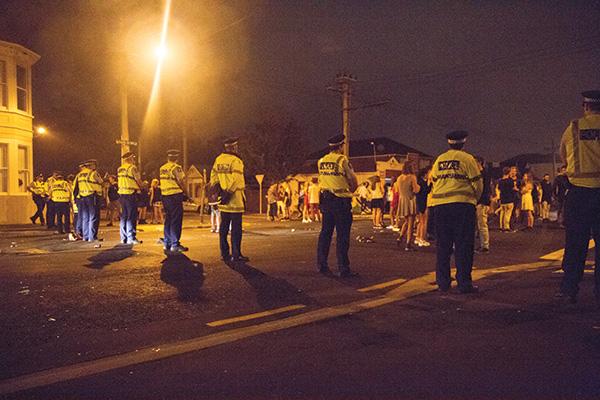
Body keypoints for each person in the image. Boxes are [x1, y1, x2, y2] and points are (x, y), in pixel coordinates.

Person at [557, 90, 600, 305]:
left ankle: (569, 289)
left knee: (575, 244)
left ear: (586, 107)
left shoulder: (573, 127)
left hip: (579, 193)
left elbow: (563, 155)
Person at [430, 130, 483, 294]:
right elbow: (477, 183)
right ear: (464, 143)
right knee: (463, 245)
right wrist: (474, 199)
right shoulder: (467, 159)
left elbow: (433, 180)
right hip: (462, 206)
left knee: (443, 245)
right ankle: (464, 283)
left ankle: (442, 282)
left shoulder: (440, 159)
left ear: (449, 143)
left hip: (440, 206)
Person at [316, 134, 359, 277]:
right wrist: (349, 191)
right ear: (340, 146)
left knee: (325, 234)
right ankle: (343, 268)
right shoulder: (342, 160)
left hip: (327, 200)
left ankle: (322, 265)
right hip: (341, 201)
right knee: (342, 236)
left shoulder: (321, 161)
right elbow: (354, 182)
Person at [210, 137, 248, 262]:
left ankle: (224, 253)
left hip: (223, 201)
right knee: (236, 229)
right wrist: (228, 193)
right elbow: (235, 179)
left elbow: (214, 176)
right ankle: (236, 254)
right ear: (234, 147)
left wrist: (219, 191)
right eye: (236, 147)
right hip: (235, 199)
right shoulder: (236, 161)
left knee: (223, 228)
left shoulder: (218, 159)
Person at [160, 149, 189, 252]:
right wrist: (187, 193)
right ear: (177, 158)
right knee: (176, 220)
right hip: (175, 196)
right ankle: (175, 244)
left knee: (168, 219)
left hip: (165, 196)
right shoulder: (176, 167)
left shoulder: (162, 168)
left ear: (168, 157)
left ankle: (167, 243)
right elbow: (181, 181)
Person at [117, 152, 143, 245]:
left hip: (122, 195)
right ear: (130, 159)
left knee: (124, 216)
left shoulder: (120, 169)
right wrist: (141, 187)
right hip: (131, 194)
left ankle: (123, 238)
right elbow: (138, 180)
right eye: (133, 158)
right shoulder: (132, 168)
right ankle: (131, 237)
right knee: (131, 216)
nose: (134, 160)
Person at [75, 160, 104, 244]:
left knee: (85, 217)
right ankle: (92, 236)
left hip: (83, 197)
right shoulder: (93, 173)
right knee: (93, 216)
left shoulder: (80, 174)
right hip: (92, 197)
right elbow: (101, 182)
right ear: (92, 166)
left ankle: (86, 236)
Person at [396, 163, 420, 251]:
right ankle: (408, 244)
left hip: (402, 200)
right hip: (410, 200)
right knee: (411, 223)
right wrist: (419, 187)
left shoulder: (399, 178)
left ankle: (400, 237)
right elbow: (415, 190)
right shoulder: (412, 177)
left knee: (406, 221)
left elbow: (398, 190)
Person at [475, 156, 491, 252]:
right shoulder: (483, 173)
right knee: (480, 224)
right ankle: (483, 244)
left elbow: (483, 189)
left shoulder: (483, 174)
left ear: (479, 162)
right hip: (480, 201)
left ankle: (485, 246)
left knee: (482, 224)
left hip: (482, 201)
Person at [497, 166, 519, 232]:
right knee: (507, 214)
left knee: (502, 214)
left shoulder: (500, 181)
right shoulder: (511, 181)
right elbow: (513, 189)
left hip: (503, 199)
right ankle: (506, 227)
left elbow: (499, 189)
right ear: (509, 172)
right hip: (509, 198)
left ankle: (501, 227)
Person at [415, 166, 432, 246]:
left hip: (418, 202)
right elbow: (427, 191)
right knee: (424, 222)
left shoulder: (419, 182)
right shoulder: (422, 183)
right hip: (422, 203)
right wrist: (431, 183)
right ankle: (422, 239)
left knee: (419, 222)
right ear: (424, 175)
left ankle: (417, 238)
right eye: (427, 173)